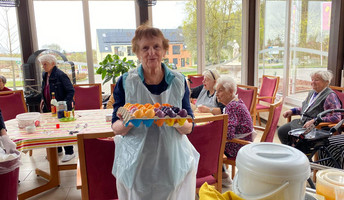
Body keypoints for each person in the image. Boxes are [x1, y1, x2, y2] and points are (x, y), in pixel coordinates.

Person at [111, 25, 199, 199]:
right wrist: (130, 120)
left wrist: (175, 120)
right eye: (145, 48)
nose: (151, 52)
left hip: (172, 160)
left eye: (156, 47)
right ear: (137, 52)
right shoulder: (126, 82)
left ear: (164, 50)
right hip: (137, 162)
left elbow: (189, 125)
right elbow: (116, 126)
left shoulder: (179, 81)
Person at [278, 70, 342, 145]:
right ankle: (293, 152)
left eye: (316, 80)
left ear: (326, 82)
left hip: (317, 127)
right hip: (303, 122)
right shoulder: (312, 92)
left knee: (299, 141)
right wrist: (293, 111)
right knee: (282, 131)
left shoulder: (330, 96)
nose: (313, 82)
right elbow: (307, 108)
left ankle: (301, 153)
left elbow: (337, 117)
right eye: (312, 80)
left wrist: (314, 121)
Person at [215, 76, 253, 186]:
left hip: (238, 146)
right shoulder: (237, 103)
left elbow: (228, 134)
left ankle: (221, 175)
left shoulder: (232, 107)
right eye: (216, 91)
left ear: (231, 91)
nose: (217, 94)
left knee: (209, 144)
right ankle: (220, 173)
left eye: (220, 91)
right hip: (244, 144)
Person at [39, 54, 75, 162]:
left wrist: (63, 104)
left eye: (45, 64)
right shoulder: (45, 75)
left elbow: (71, 91)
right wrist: (42, 99)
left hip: (61, 107)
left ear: (53, 64)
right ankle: (57, 149)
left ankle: (70, 152)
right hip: (49, 106)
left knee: (63, 129)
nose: (43, 66)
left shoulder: (60, 75)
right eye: (42, 64)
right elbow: (44, 88)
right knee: (52, 129)